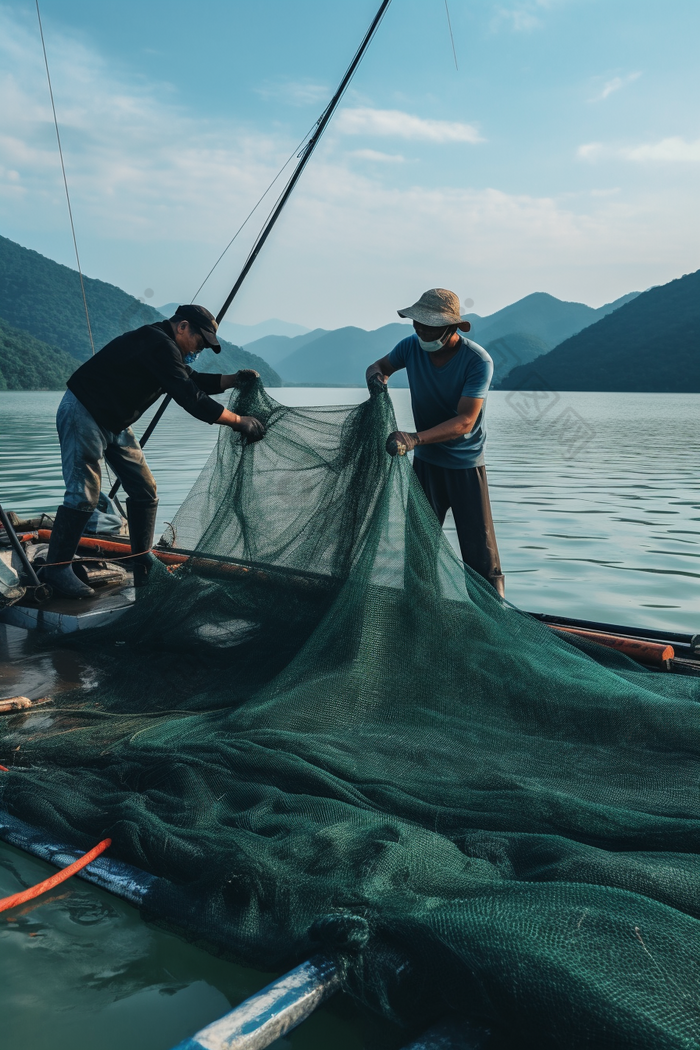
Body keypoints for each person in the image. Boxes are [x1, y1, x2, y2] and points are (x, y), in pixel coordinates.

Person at [42, 304, 265, 599]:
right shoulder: (156, 342)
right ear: (183, 326)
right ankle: (56, 568)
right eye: (199, 342)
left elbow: (192, 379)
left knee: (145, 489)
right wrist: (238, 421)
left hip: (116, 422)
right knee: (84, 494)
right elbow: (190, 397)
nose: (198, 350)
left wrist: (233, 380)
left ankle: (142, 559)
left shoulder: (166, 348)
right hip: (84, 411)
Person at [366, 288, 504, 596]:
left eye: (430, 326)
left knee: (480, 555)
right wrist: (377, 381)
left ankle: (495, 615)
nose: (422, 331)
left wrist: (414, 439)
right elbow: (378, 367)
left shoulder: (477, 361)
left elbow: (465, 421)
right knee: (418, 547)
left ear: (452, 328)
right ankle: (421, 609)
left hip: (465, 466)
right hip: (426, 463)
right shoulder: (410, 347)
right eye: (418, 324)